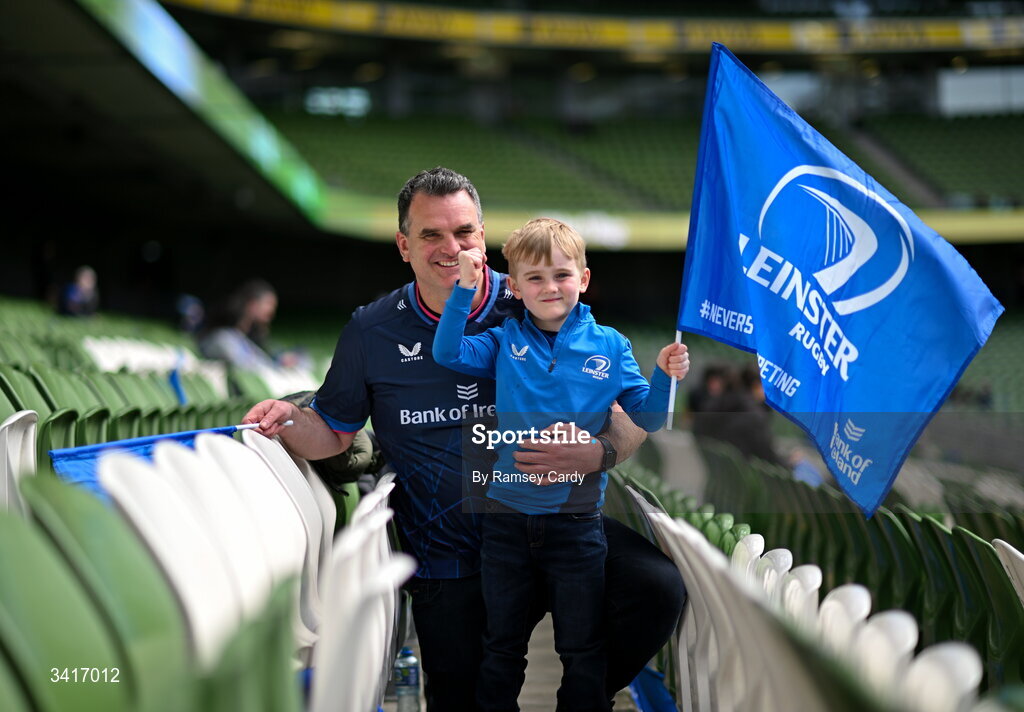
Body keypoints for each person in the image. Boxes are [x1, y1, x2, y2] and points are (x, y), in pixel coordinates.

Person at [244, 167, 686, 710]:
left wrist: (599, 452)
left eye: (465, 232)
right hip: (450, 557)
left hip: (554, 525)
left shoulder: (536, 296)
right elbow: (334, 431)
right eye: (432, 234)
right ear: (405, 246)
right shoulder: (372, 329)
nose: (451, 247)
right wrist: (287, 421)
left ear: (484, 237)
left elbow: (626, 414)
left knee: (655, 589)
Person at [432, 218, 690, 711]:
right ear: (515, 286)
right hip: (505, 520)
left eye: (561, 275)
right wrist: (465, 289)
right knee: (501, 645)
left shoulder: (611, 346)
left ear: (584, 278)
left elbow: (651, 416)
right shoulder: (504, 339)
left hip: (576, 525)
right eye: (534, 278)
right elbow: (448, 353)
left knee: (582, 647)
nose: (550, 287)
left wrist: (664, 375)